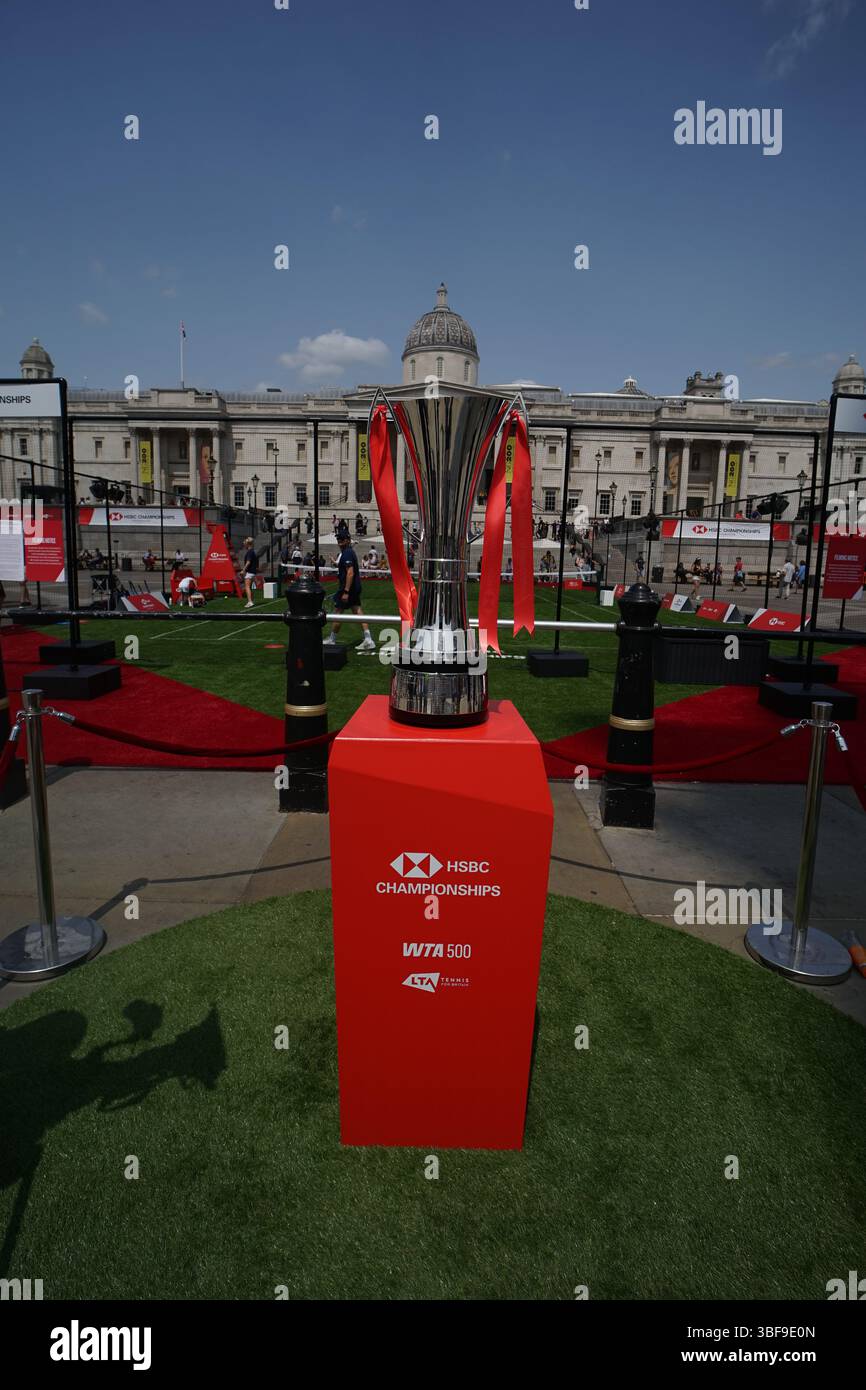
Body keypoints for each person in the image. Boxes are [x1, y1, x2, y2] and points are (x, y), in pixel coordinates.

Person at [324, 533, 374, 651]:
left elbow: (350, 573)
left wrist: (346, 591)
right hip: (352, 588)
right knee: (357, 610)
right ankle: (368, 639)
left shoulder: (347, 553)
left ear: (348, 540)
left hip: (348, 589)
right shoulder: (348, 552)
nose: (339, 541)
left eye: (342, 539)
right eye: (338, 539)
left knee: (338, 612)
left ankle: (332, 639)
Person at [240, 536, 258, 608]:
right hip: (252, 572)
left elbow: (248, 562)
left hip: (250, 572)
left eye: (245, 544)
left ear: (248, 544)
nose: (244, 545)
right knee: (249, 587)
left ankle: (250, 602)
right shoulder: (252, 551)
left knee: (247, 587)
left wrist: (243, 570)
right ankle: (251, 600)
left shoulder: (250, 552)